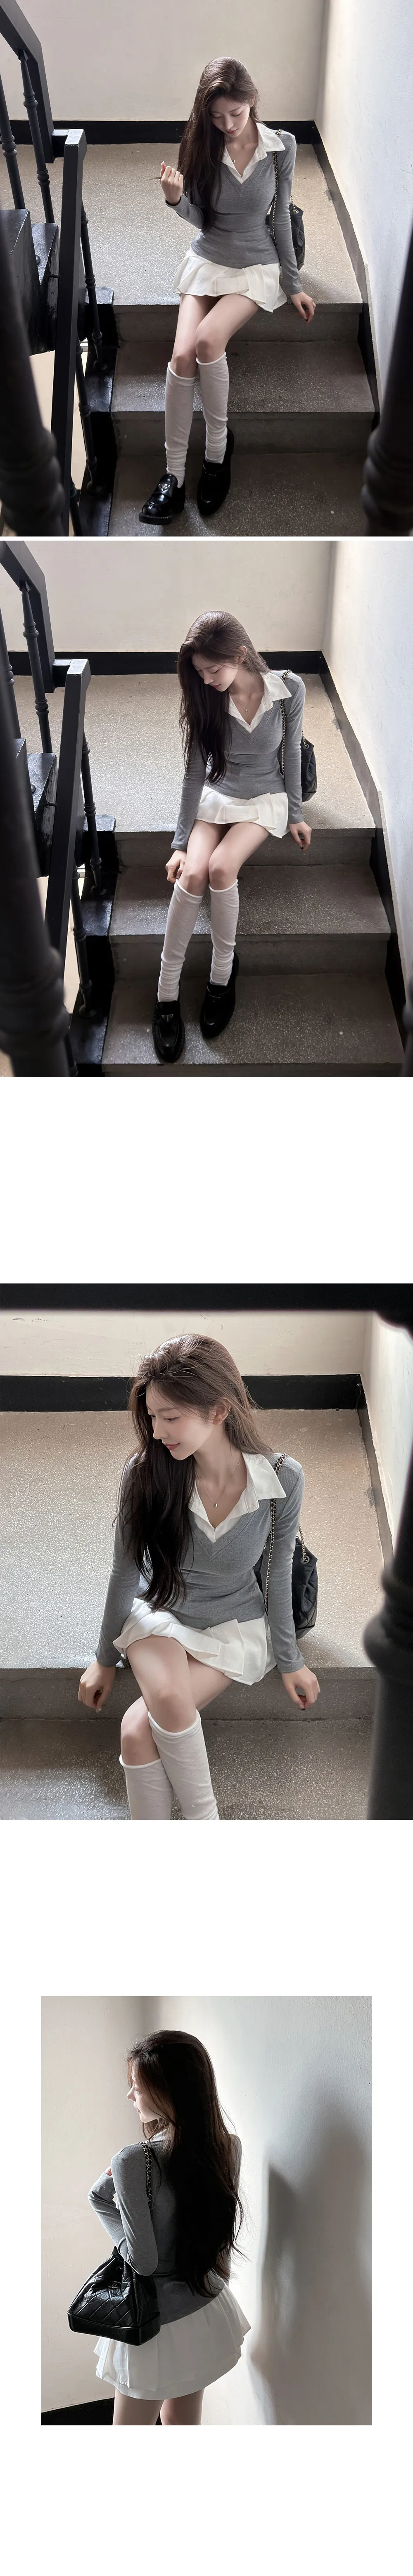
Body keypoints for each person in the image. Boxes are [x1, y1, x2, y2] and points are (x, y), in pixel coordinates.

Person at [78, 1333, 320, 1819]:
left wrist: (290, 1659)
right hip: (161, 1611)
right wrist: (104, 1658)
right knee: (168, 1696)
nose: (157, 1431)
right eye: (152, 1416)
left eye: (170, 1417)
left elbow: (276, 1572)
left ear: (219, 1410)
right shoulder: (145, 1472)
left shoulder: (282, 1478)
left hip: (234, 1622)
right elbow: (125, 1570)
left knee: (136, 1730)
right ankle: (206, 1824)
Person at [139, 54, 315, 525]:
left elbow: (281, 217)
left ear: (252, 100)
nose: (227, 125)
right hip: (208, 257)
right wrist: (176, 201)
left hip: (256, 262)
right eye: (216, 116)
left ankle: (217, 454)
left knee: (207, 341)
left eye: (235, 113)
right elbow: (202, 219)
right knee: (181, 357)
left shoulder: (281, 146)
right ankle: (174, 476)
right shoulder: (200, 145)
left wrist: (293, 283)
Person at [152, 610, 311, 1062]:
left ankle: (221, 978)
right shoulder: (206, 697)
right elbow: (194, 773)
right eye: (199, 672)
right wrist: (180, 844)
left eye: (212, 670)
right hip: (219, 795)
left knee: (222, 868)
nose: (205, 680)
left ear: (240, 655)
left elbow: (292, 755)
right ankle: (166, 993)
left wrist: (296, 814)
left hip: (264, 797)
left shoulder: (289, 689)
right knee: (193, 874)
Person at [89, 2028, 249, 2424]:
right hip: (206, 2307)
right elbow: (218, 2243)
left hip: (156, 2324)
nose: (130, 2096)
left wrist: (103, 2192)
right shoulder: (227, 2146)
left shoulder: (133, 2160)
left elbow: (143, 2261)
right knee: (182, 2422)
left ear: (167, 2092)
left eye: (137, 2087)